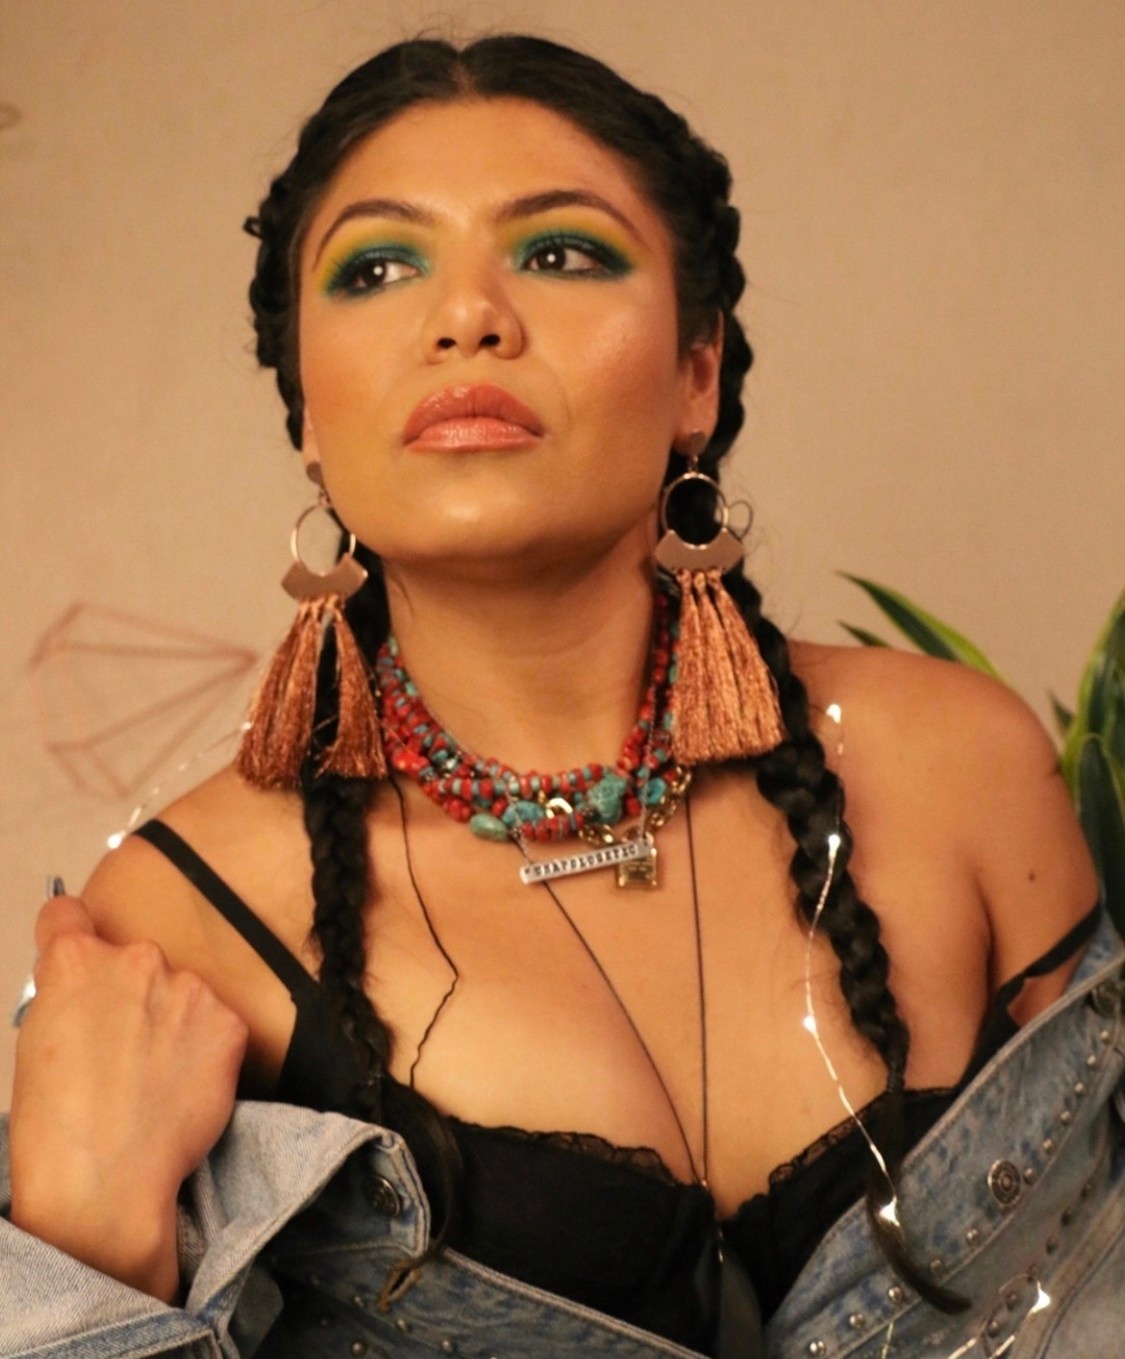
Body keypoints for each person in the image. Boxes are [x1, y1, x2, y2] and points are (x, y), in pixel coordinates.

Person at [2, 34, 1121, 1359]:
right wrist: (89, 1250)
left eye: (560, 252)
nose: (468, 316)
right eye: (377, 268)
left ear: (697, 371)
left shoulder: (957, 764)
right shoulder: (181, 919)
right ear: (307, 411)